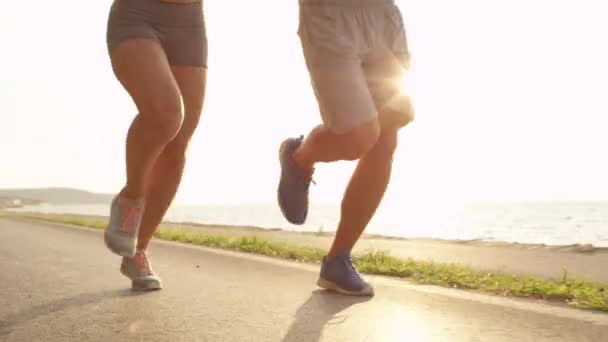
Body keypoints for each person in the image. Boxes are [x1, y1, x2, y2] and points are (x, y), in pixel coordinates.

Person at [278, 0, 414, 296]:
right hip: (330, 14)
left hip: (383, 16)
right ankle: (300, 157)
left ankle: (338, 259)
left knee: (386, 137)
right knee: (358, 136)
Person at [103, 0, 207, 291]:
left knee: (177, 143)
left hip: (188, 22)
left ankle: (138, 250)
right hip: (138, 12)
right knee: (166, 114)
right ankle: (131, 199)